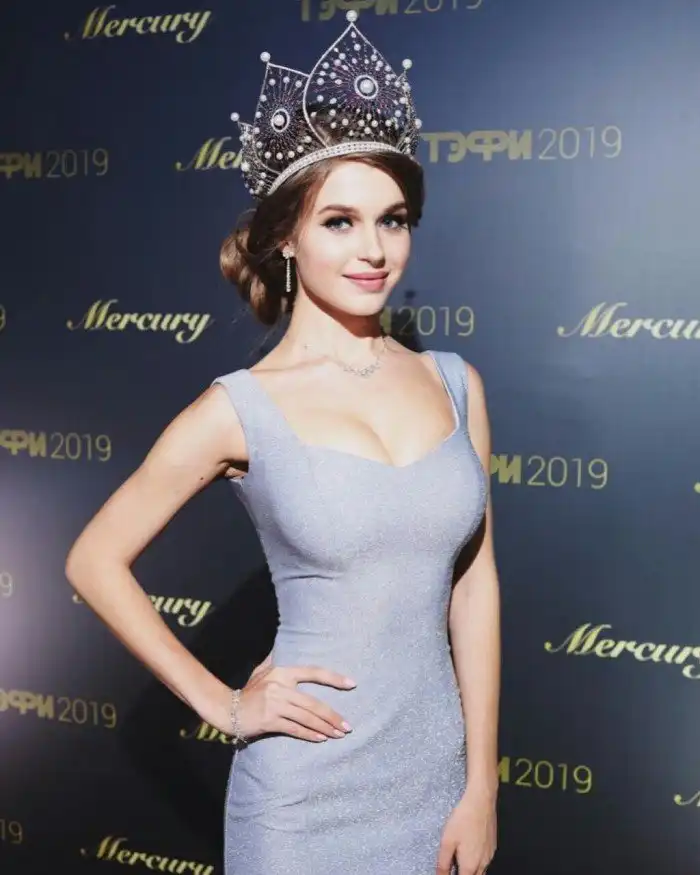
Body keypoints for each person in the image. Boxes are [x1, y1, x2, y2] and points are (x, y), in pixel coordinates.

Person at [65, 11, 500, 875]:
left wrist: (481, 783)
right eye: (339, 221)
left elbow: (475, 584)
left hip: (436, 782)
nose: (374, 249)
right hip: (301, 802)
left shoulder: (455, 383)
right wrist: (224, 704)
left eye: (393, 219)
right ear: (287, 238)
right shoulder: (240, 409)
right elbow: (93, 560)